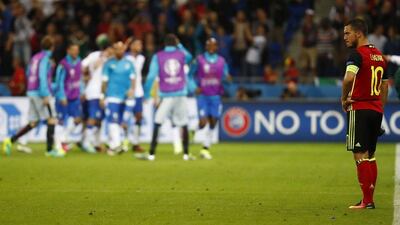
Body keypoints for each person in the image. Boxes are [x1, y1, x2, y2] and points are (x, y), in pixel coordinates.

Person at [341, 19, 388, 209]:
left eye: (347, 33)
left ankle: (367, 201)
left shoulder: (356, 55)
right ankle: (368, 199)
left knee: (359, 154)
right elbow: (384, 85)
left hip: (359, 108)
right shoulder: (379, 55)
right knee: (370, 154)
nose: (344, 37)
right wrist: (380, 107)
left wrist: (344, 99)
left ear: (358, 33)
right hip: (376, 109)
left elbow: (348, 79)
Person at [2, 36, 64, 157]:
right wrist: (45, 94)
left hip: (31, 91)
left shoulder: (35, 57)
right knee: (51, 119)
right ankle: (50, 150)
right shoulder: (46, 59)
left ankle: (10, 140)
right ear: (52, 47)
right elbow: (42, 76)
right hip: (40, 93)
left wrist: (32, 87)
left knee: (34, 122)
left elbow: (28, 73)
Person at [142, 34, 194, 161]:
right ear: (175, 43)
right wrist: (180, 45)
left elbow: (151, 76)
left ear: (164, 44)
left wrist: (146, 93)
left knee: (158, 121)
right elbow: (190, 57)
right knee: (184, 123)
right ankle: (186, 154)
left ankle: (151, 154)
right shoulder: (181, 54)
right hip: (181, 93)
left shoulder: (158, 56)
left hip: (166, 95)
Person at [190, 38, 230, 159]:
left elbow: (226, 77)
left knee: (213, 121)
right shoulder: (199, 60)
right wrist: (193, 87)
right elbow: (189, 75)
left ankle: (205, 148)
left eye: (214, 45)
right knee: (203, 122)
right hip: (203, 96)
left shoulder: (222, 61)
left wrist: (227, 79)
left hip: (216, 96)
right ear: (206, 47)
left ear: (217, 47)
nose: (212, 47)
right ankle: (193, 131)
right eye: (209, 45)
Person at [101, 41, 136, 156]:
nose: (119, 51)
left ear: (124, 50)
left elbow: (133, 78)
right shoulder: (108, 64)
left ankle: (114, 144)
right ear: (114, 50)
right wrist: (102, 96)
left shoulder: (129, 63)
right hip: (112, 96)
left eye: (121, 49)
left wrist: (132, 89)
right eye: (117, 49)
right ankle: (116, 145)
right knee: (113, 120)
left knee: (122, 121)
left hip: (125, 97)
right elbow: (104, 81)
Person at [81, 35, 113, 152]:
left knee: (99, 119)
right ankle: (86, 143)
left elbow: (83, 65)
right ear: (107, 48)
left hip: (102, 92)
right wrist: (87, 76)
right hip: (94, 91)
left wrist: (86, 75)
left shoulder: (100, 57)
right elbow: (82, 67)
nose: (112, 52)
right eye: (111, 49)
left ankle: (96, 142)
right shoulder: (98, 56)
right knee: (92, 118)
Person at [54, 43, 86, 153]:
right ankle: (58, 145)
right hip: (64, 97)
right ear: (68, 51)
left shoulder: (79, 62)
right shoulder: (63, 64)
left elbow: (80, 78)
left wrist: (82, 91)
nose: (76, 52)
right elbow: (59, 81)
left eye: (77, 50)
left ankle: (63, 140)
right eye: (73, 50)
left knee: (77, 119)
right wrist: (61, 96)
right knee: (61, 121)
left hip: (75, 96)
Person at [121, 38, 146, 153]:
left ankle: (135, 142)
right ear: (131, 46)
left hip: (139, 92)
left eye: (140, 44)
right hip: (127, 92)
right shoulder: (125, 58)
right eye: (137, 44)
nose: (140, 46)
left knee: (138, 116)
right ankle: (124, 140)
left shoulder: (142, 58)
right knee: (125, 118)